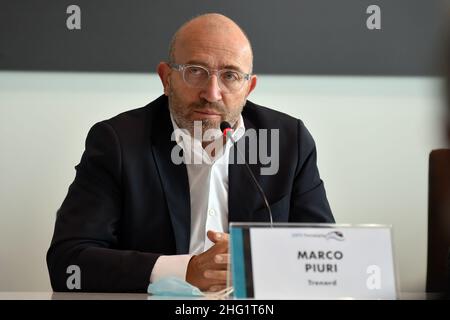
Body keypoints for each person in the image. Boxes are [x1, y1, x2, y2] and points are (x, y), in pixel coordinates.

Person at [47, 13, 334, 293]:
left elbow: (328, 254)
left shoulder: (288, 142)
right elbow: (69, 262)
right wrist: (187, 271)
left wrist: (259, 264)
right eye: (195, 71)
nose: (212, 93)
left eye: (230, 76)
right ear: (166, 78)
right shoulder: (117, 142)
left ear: (249, 87)